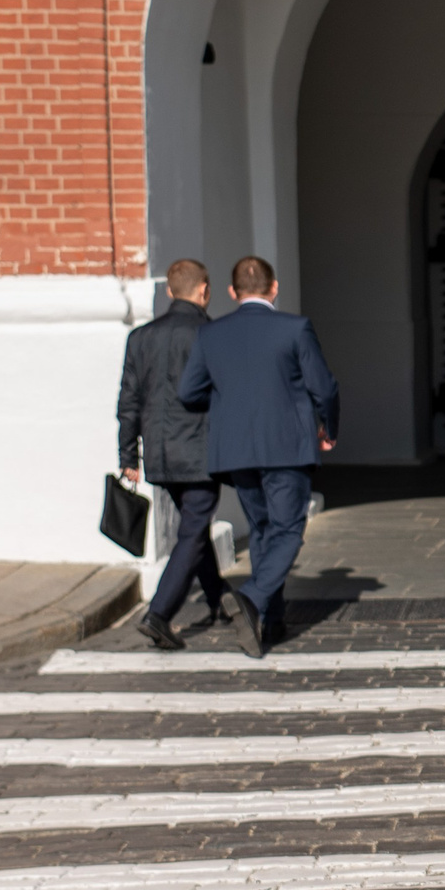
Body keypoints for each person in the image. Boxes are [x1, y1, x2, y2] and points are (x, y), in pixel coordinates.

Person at [176, 255, 341, 659]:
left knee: (264, 530)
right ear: (275, 287)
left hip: (235, 449)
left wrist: (226, 405)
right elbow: (325, 387)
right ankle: (251, 598)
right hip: (286, 444)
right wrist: (328, 428)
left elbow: (188, 392)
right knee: (287, 531)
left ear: (232, 292)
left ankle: (271, 618)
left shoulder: (212, 334)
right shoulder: (295, 328)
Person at [117, 258, 229, 651]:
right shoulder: (212, 334)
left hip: (161, 453)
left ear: (169, 291)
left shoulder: (141, 337)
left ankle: (220, 598)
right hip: (199, 451)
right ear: (204, 291)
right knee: (193, 531)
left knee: (192, 529)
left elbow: (128, 401)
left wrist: (128, 455)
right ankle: (160, 614)